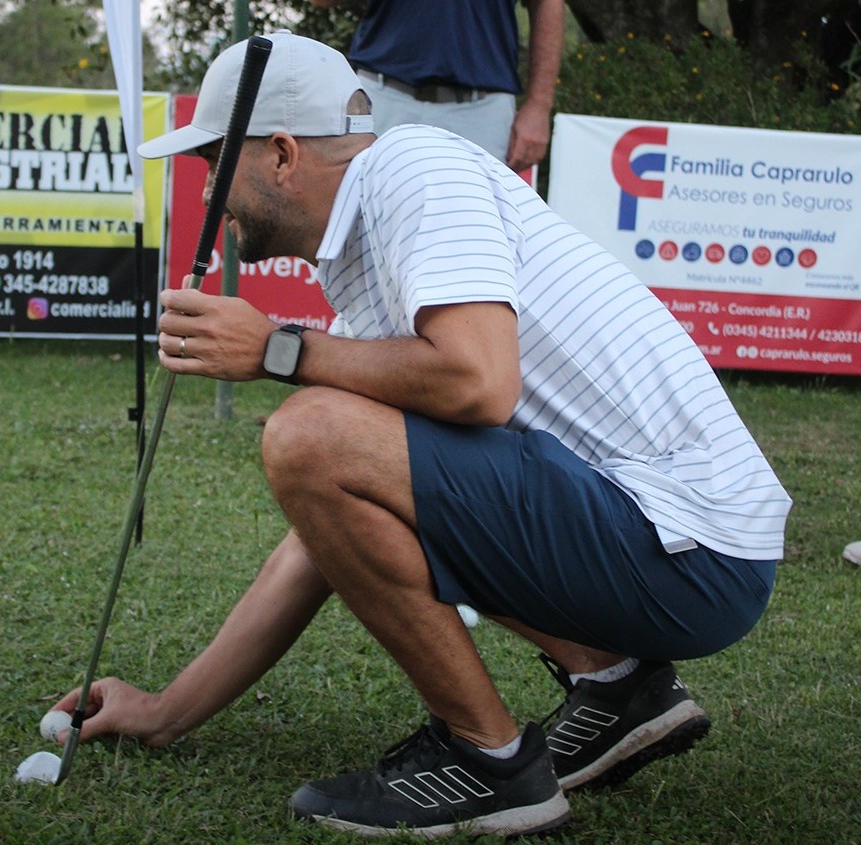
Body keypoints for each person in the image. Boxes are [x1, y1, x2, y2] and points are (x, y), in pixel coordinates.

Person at [50, 32, 791, 838]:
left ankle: (493, 762)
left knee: (308, 432)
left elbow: (478, 379)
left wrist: (275, 350)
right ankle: (617, 683)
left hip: (692, 550)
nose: (208, 196)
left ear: (283, 154)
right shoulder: (365, 254)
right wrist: (166, 711)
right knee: (321, 442)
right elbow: (325, 538)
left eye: (214, 164)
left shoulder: (411, 170)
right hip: (675, 545)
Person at [308, 0, 563, 172]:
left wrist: (539, 106)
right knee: (362, 236)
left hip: (481, 111)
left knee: (473, 239)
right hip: (382, 98)